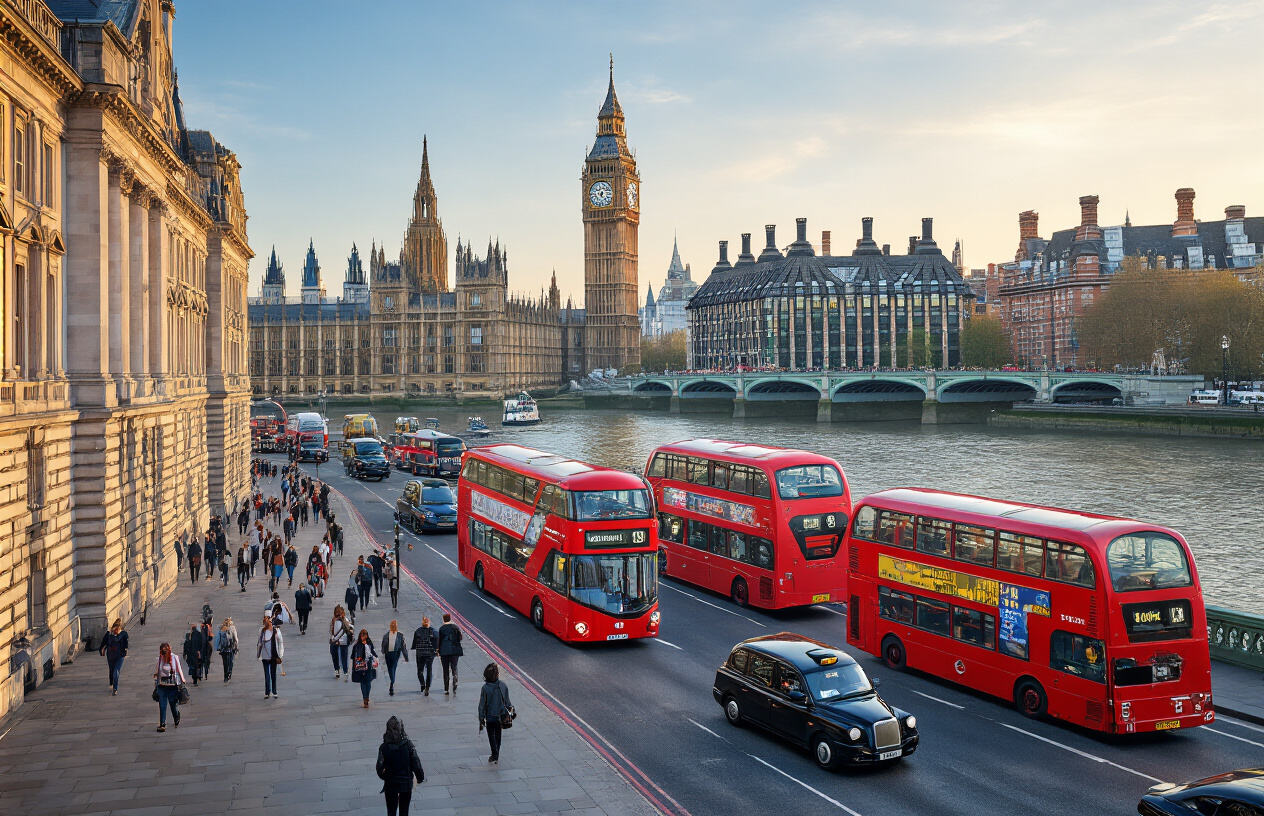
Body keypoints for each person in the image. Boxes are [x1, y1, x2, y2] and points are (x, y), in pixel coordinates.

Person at [376, 716, 425, 816]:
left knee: (391, 810)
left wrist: (385, 775)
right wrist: (420, 777)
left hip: (390, 783)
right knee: (404, 810)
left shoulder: (384, 747)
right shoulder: (408, 745)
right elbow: (416, 763)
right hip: (405, 783)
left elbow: (379, 768)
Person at [477, 662, 513, 765]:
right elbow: (507, 701)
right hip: (500, 715)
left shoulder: (485, 688)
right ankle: (497, 754)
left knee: (491, 735)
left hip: (490, 716)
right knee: (498, 735)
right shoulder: (502, 685)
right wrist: (510, 710)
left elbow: (482, 704)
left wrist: (481, 718)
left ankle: (494, 752)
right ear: (497, 674)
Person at [152, 642, 188, 732]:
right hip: (162, 686)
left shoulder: (174, 657)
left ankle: (176, 717)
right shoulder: (159, 659)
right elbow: (157, 672)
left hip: (172, 685)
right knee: (162, 705)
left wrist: (182, 681)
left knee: (173, 705)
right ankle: (162, 724)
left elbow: (179, 669)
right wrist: (156, 680)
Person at [256, 616, 284, 699]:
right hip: (274, 655)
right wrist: (280, 654)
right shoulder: (276, 631)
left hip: (265, 656)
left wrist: (258, 654)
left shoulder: (262, 631)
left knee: (267, 675)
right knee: (273, 674)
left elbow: (259, 644)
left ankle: (267, 692)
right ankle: (274, 692)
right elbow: (280, 643)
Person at [99, 618, 128, 696]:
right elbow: (103, 643)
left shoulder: (123, 634)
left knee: (116, 671)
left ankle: (115, 688)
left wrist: (125, 650)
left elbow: (125, 644)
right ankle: (111, 682)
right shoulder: (109, 635)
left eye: (117, 630)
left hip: (120, 656)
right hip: (111, 655)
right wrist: (102, 650)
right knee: (111, 670)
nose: (116, 631)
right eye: (114, 630)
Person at [351, 628, 379, 708]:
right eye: (362, 635)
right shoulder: (356, 646)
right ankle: (365, 698)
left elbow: (373, 653)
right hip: (361, 666)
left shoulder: (369, 644)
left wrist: (376, 659)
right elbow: (353, 657)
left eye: (365, 635)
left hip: (369, 664)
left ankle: (367, 696)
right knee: (363, 682)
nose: (363, 637)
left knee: (368, 681)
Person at [410, 616, 438, 696]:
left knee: (420, 670)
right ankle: (427, 688)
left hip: (420, 653)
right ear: (429, 623)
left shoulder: (418, 631)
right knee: (429, 671)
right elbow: (436, 642)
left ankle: (422, 683)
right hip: (430, 654)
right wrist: (436, 650)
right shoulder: (433, 631)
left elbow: (414, 643)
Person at [381, 620, 409, 696]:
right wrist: (383, 651)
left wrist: (406, 656)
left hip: (395, 654)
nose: (393, 626)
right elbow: (383, 644)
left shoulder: (400, 635)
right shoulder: (386, 635)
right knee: (390, 668)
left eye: (394, 625)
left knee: (393, 668)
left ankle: (392, 683)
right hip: (388, 654)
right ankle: (392, 681)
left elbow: (403, 647)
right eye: (392, 625)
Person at [437, 613, 463, 694]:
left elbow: (439, 641)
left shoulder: (441, 629)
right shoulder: (456, 627)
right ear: (450, 619)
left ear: (443, 619)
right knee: (454, 666)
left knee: (445, 670)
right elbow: (460, 638)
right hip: (454, 651)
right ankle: (455, 679)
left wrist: (438, 650)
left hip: (444, 651)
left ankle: (446, 688)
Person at [329, 605, 353, 681]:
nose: (338, 615)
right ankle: (342, 671)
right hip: (341, 641)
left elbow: (331, 631)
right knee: (342, 656)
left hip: (338, 640)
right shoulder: (335, 620)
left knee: (338, 656)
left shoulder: (342, 620)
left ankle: (340, 671)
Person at [213, 617, 239, 682]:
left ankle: (225, 676)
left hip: (223, 649)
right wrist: (236, 647)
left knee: (225, 663)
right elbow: (235, 639)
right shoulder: (232, 628)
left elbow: (218, 639)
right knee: (230, 661)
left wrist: (217, 648)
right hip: (230, 648)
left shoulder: (221, 629)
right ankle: (229, 672)